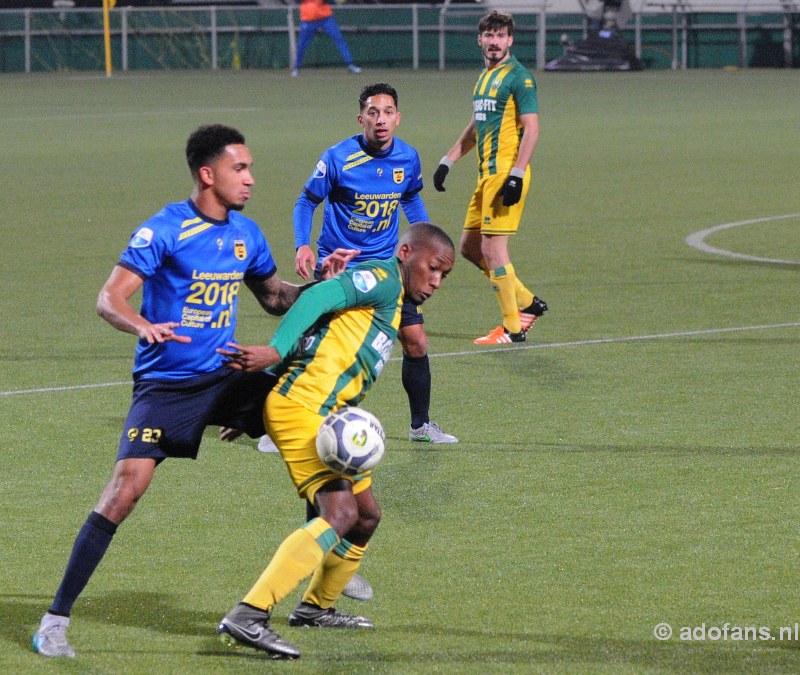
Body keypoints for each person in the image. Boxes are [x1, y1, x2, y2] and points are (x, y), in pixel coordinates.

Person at [32, 124, 356, 659]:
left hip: (227, 373)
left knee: (315, 423)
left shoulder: (247, 234)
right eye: (240, 168)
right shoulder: (164, 229)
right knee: (124, 492)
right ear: (208, 174)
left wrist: (322, 280)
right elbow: (109, 298)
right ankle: (55, 619)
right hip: (168, 385)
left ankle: (323, 560)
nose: (251, 179)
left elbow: (276, 298)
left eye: (250, 168)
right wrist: (142, 326)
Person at [216, 222, 455, 660]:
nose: (436, 281)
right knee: (340, 512)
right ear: (406, 254)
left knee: (365, 516)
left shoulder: (391, 303)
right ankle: (250, 613)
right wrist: (275, 350)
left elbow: (322, 339)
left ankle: (315, 609)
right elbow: (319, 296)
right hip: (304, 408)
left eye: (444, 275)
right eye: (433, 268)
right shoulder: (382, 280)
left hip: (325, 411)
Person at [293, 82, 458, 444]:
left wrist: (425, 243)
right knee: (326, 344)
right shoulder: (337, 157)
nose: (380, 120)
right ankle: (285, 423)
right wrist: (303, 246)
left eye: (387, 113)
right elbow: (306, 202)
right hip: (341, 265)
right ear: (361, 118)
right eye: (373, 113)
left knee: (415, 340)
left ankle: (420, 426)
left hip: (388, 268)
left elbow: (411, 201)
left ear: (398, 118)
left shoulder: (408, 158)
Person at [432, 10, 548, 345]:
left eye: (501, 36)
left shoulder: (519, 78)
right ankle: (527, 302)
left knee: (494, 250)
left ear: (510, 40)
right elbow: (476, 125)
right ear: (480, 39)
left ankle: (513, 328)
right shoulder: (483, 78)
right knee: (469, 247)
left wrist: (515, 174)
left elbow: (533, 129)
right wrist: (448, 160)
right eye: (489, 36)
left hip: (505, 175)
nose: (494, 42)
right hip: (485, 176)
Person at [292, 0, 361, 77]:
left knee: (339, 40)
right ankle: (296, 68)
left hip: (325, 19)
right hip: (308, 20)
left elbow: (331, 2)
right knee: (302, 45)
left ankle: (350, 64)